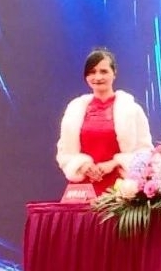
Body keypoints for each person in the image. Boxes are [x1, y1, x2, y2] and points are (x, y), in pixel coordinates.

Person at [56, 47, 154, 195]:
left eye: (103, 71)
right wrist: (83, 165)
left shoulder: (132, 110)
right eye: (92, 72)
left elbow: (144, 151)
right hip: (83, 189)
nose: (97, 77)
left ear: (114, 73)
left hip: (121, 189)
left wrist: (114, 163)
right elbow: (64, 152)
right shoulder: (74, 111)